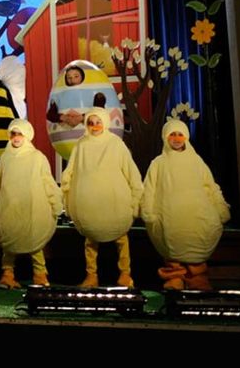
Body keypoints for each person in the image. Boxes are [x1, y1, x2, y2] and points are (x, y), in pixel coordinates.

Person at [141, 120, 230, 290]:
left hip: (195, 214)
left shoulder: (196, 161)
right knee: (173, 247)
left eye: (180, 134)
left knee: (195, 245)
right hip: (170, 216)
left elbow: (210, 186)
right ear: (165, 137)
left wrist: (220, 209)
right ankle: (175, 278)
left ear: (186, 137)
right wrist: (148, 212)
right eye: (172, 134)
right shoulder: (158, 163)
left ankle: (197, 278)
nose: (176, 138)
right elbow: (149, 188)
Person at [61, 108, 143, 288]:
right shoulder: (81, 144)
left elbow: (130, 170)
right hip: (90, 205)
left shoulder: (115, 144)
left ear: (105, 122)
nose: (95, 126)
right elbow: (71, 169)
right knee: (91, 239)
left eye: (98, 122)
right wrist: (67, 189)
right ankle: (91, 275)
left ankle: (125, 274)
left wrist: (136, 197)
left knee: (121, 238)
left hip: (114, 203)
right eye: (91, 123)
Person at [0, 119, 62, 289]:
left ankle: (40, 274)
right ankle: (7, 274)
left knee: (35, 243)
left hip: (31, 209)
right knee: (9, 243)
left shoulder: (37, 157)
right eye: (13, 134)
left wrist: (55, 203)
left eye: (20, 133)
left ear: (27, 135)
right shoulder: (4, 158)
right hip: (9, 208)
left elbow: (48, 182)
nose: (16, 137)